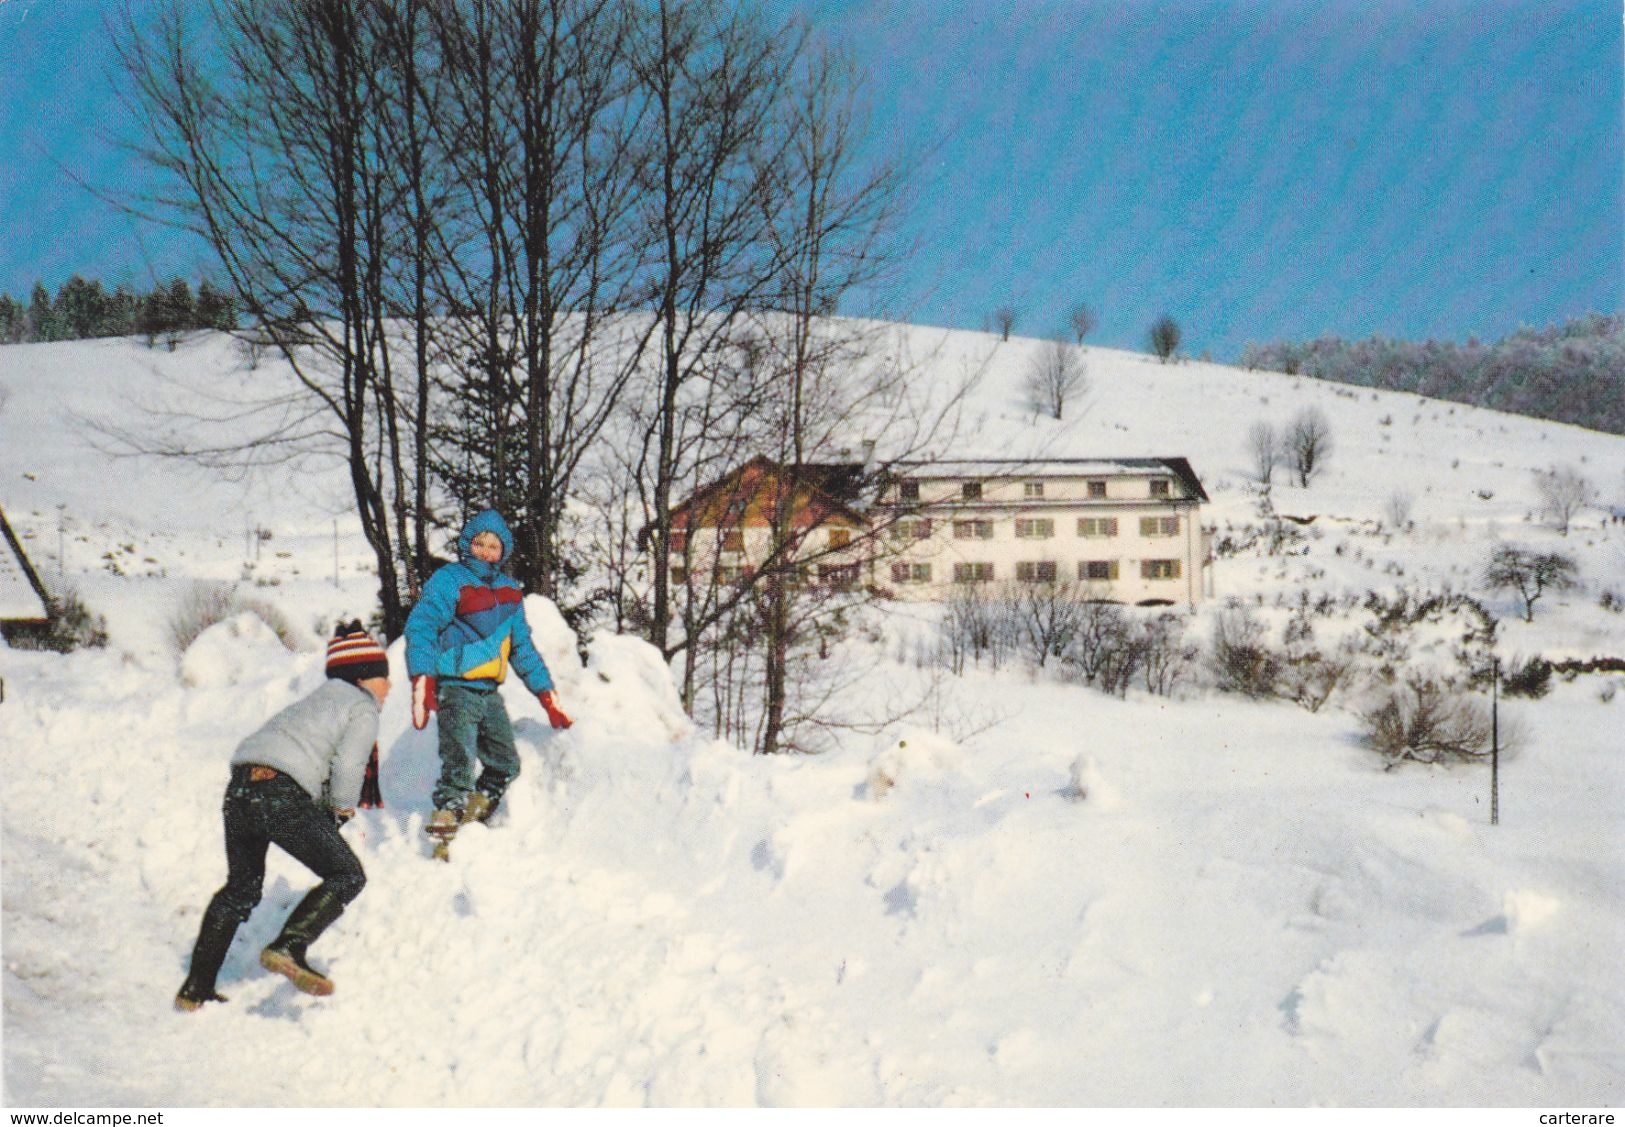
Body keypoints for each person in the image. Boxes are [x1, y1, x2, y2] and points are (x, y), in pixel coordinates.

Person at [174, 623, 389, 1011]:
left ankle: (195, 988)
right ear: (363, 678)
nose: (389, 688)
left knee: (240, 889)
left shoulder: (312, 703)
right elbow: (348, 765)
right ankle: (290, 945)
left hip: (240, 788)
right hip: (280, 794)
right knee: (347, 874)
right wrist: (340, 811)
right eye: (383, 678)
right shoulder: (361, 707)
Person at [404, 509, 572, 846]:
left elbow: (521, 648)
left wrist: (547, 695)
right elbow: (422, 627)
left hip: (489, 694)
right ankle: (445, 825)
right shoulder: (449, 580)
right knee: (460, 762)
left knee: (506, 764)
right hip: (457, 687)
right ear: (467, 544)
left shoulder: (510, 593)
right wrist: (423, 677)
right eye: (479, 543)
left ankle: (471, 822)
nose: (485, 551)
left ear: (503, 551)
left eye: (493, 546)